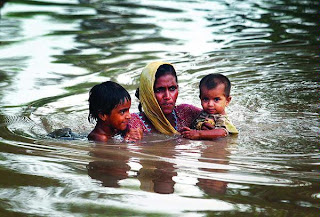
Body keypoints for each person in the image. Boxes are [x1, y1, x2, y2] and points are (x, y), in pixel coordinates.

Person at [129, 61, 202, 135]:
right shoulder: (134, 124)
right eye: (159, 90)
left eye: (172, 88)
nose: (167, 96)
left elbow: (212, 118)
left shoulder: (186, 112)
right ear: (148, 93)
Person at [181, 73, 238, 139]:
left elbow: (222, 132)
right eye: (205, 99)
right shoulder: (203, 113)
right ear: (200, 98)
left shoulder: (221, 118)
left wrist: (198, 133)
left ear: (227, 101)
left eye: (216, 99)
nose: (210, 104)